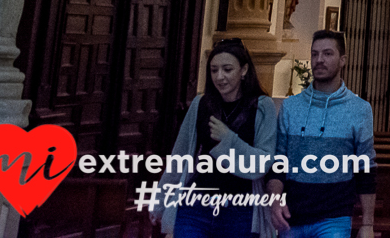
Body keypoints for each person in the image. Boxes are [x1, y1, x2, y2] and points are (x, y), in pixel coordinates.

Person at [154, 39, 278, 238]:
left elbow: (262, 163)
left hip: (239, 208)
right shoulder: (201, 103)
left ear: (244, 70)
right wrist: (160, 200)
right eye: (214, 70)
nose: (220, 77)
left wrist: (229, 139)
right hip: (197, 203)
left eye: (227, 69)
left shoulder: (262, 106)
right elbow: (180, 155)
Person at [268, 30, 376, 238]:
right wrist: (275, 202)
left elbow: (366, 168)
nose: (319, 60)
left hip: (334, 217)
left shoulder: (359, 109)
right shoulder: (291, 107)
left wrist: (368, 223)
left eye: (327, 54)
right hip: (293, 215)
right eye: (315, 54)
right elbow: (278, 163)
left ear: (342, 60)